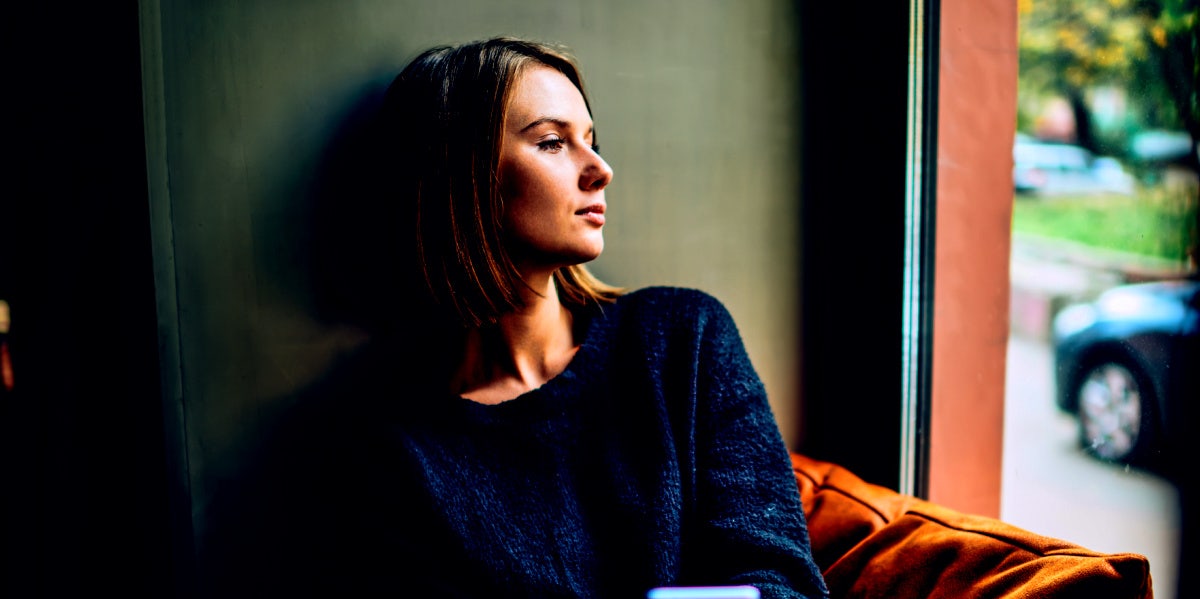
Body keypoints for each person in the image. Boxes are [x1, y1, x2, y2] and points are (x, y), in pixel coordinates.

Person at [201, 36, 828, 599]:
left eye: (593, 140)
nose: (600, 169)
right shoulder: (386, 449)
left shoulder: (681, 339)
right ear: (463, 178)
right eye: (553, 142)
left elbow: (785, 583)